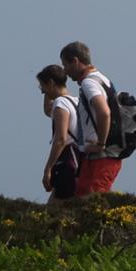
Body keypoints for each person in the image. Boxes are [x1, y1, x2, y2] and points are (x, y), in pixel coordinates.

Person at [59, 41, 123, 196]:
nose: (65, 72)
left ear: (75, 61)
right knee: (82, 198)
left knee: (94, 200)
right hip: (97, 156)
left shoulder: (89, 83)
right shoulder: (102, 78)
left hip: (102, 155)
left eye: (65, 65)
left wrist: (100, 143)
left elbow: (104, 112)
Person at [36, 64, 81, 201]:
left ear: (51, 83)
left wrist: (48, 169)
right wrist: (49, 91)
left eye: (42, 86)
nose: (42, 91)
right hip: (79, 160)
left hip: (67, 162)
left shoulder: (61, 104)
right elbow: (47, 110)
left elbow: (60, 139)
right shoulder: (76, 102)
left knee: (58, 211)